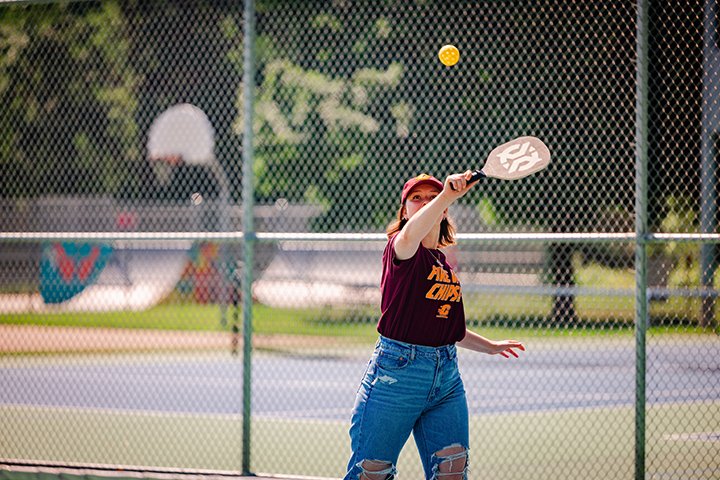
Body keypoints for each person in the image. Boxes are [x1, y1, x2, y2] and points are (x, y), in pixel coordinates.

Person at [344, 172, 525, 480]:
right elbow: (411, 235)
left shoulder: (442, 263)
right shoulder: (401, 248)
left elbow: (448, 329)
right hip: (397, 375)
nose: (425, 201)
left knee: (451, 472)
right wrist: (446, 196)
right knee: (372, 474)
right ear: (404, 212)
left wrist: (490, 346)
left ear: (443, 214)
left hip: (447, 378)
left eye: (432, 198)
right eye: (417, 198)